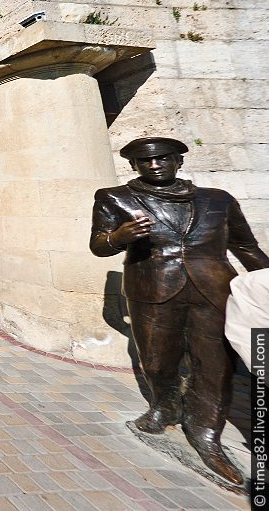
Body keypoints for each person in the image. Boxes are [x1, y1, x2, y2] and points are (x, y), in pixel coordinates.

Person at [90, 136, 269, 485]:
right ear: (133, 166)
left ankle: (206, 432)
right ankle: (164, 407)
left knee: (216, 365)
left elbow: (247, 247)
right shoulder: (115, 197)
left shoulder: (218, 200)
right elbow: (99, 245)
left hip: (214, 289)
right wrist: (120, 237)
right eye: (146, 161)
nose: (155, 165)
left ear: (179, 161)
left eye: (164, 158)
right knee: (157, 361)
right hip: (152, 288)